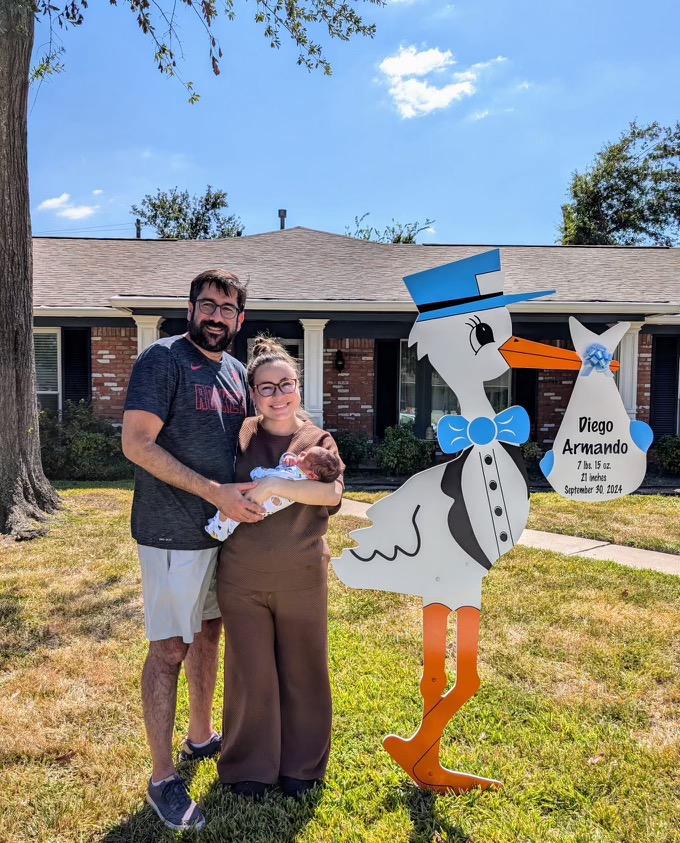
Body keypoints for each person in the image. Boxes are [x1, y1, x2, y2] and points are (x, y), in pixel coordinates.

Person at [121, 269, 266, 832]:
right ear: (190, 308)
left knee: (209, 635)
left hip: (220, 536)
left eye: (227, 309)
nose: (215, 316)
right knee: (170, 650)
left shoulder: (235, 372)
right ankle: (162, 778)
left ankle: (202, 736)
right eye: (206, 305)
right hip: (170, 533)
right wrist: (214, 494)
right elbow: (136, 443)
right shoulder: (163, 360)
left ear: (239, 320)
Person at [216, 337, 345, 800]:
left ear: (298, 386)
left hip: (301, 578)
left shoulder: (317, 440)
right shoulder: (239, 437)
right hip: (241, 579)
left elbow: (331, 495)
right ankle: (249, 768)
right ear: (253, 394)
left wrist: (274, 484)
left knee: (303, 670)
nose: (277, 395)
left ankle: (302, 768)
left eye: (286, 384)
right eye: (266, 387)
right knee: (251, 674)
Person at [204, 447, 341, 541]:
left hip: (263, 504)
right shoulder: (296, 468)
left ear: (312, 475)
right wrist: (288, 457)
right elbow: (282, 464)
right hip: (256, 489)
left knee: (235, 514)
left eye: (305, 457)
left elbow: (333, 495)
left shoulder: (301, 479)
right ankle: (218, 523)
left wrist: (270, 484)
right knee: (233, 507)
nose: (302, 453)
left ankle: (219, 532)